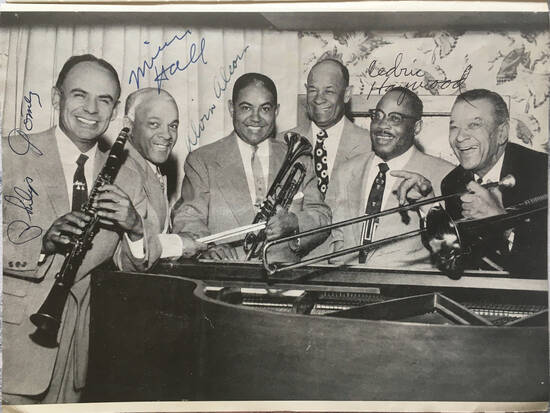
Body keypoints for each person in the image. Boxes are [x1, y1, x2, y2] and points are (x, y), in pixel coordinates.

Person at [2, 54, 146, 404]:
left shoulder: (129, 174)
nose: (92, 109)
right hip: (9, 342)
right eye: (79, 95)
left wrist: (136, 229)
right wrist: (40, 244)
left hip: (77, 353)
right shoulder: (10, 154)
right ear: (56, 98)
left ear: (114, 112)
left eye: (105, 100)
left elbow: (135, 267)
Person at [172, 72, 331, 261]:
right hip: (226, 276)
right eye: (246, 108)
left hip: (285, 279)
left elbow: (322, 216)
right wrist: (209, 247)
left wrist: (295, 223)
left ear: (276, 111)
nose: (255, 118)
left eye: (265, 109)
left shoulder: (299, 158)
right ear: (232, 109)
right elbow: (188, 218)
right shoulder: (202, 160)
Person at [396, 89, 548, 276]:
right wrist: (429, 206)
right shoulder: (453, 182)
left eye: (474, 125)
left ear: (501, 133)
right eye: (454, 127)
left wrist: (504, 225)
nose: (459, 137)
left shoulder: (542, 172)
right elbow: (451, 263)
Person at [328, 87, 453, 267]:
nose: (382, 125)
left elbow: (449, 253)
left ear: (416, 127)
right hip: (345, 288)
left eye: (395, 118)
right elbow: (336, 240)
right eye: (377, 116)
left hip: (408, 290)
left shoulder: (445, 176)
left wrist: (429, 207)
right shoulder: (345, 171)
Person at [113, 87, 206, 271]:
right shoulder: (124, 172)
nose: (167, 135)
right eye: (154, 124)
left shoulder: (146, 166)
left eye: (173, 125)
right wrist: (178, 244)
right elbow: (122, 257)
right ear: (128, 125)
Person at [280, 58, 371, 199]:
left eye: (329, 91)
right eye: (313, 90)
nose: (318, 99)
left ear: (347, 94)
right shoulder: (282, 142)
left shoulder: (370, 145)